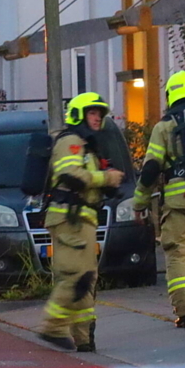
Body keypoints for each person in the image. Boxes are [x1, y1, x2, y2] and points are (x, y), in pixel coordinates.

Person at [39, 93, 125, 352]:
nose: (97, 118)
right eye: (92, 113)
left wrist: (106, 181)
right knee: (76, 276)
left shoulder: (86, 145)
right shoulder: (72, 142)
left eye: (100, 114)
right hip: (70, 219)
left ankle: (84, 338)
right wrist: (105, 179)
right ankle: (52, 327)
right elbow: (70, 174)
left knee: (87, 278)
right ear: (79, 115)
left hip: (81, 219)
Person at [133, 71, 185, 328]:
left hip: (178, 202)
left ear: (170, 96)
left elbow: (152, 168)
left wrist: (139, 203)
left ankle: (184, 312)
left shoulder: (164, 127)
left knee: (177, 256)